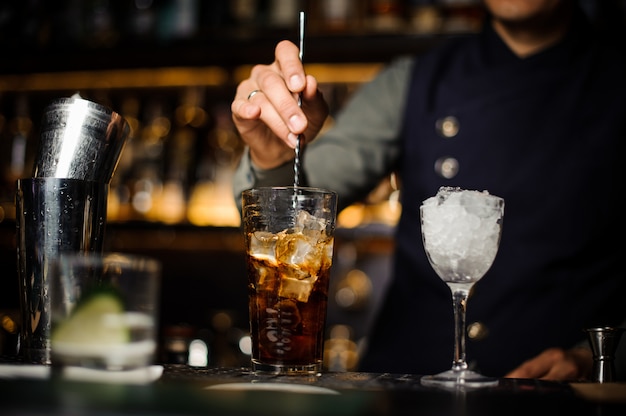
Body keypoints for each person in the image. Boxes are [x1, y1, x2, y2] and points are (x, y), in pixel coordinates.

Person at [230, 0, 626, 380]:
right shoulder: (412, 81)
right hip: (402, 388)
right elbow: (298, 206)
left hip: (551, 397)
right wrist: (272, 155)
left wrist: (602, 358)